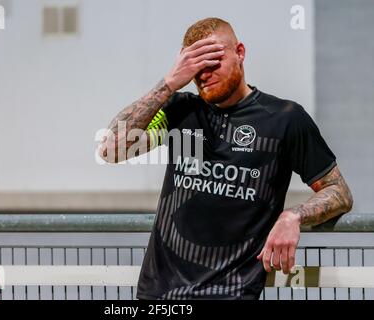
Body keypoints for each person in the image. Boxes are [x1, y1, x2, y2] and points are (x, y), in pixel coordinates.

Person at [98, 17, 353, 300]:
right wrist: (168, 84)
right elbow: (110, 149)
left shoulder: (285, 119)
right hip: (159, 295)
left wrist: (293, 216)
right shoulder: (179, 110)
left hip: (231, 294)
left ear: (239, 52)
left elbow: (338, 191)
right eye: (195, 68)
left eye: (213, 62)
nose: (204, 74)